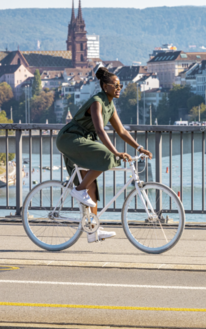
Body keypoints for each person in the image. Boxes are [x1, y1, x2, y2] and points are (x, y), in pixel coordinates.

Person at [56, 67, 153, 242]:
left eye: (120, 85)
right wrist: (115, 152)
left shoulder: (110, 105)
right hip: (70, 139)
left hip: (84, 141)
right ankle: (78, 190)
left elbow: (122, 131)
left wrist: (139, 148)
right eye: (115, 85)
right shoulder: (97, 102)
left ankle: (93, 230)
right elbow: (100, 130)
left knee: (92, 186)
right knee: (108, 157)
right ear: (105, 86)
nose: (119, 88)